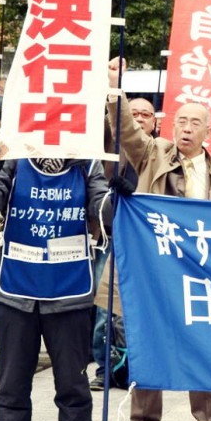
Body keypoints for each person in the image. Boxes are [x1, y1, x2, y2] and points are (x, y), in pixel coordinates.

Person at [105, 57, 211, 421]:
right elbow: (128, 132)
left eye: (194, 122)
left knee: (205, 350)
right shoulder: (153, 156)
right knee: (150, 344)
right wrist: (116, 90)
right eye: (180, 121)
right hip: (156, 273)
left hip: (202, 277)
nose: (185, 128)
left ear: (209, 131)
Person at [0, 142, 112, 421]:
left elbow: (105, 214)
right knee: (12, 384)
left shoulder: (87, 161)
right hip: (15, 290)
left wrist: (119, 192)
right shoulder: (16, 157)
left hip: (68, 291)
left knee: (73, 384)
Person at [91, 97, 157, 391]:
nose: (141, 119)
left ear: (155, 122)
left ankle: (137, 364)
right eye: (135, 114)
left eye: (147, 114)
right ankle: (104, 367)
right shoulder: (109, 146)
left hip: (148, 243)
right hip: (111, 235)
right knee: (106, 305)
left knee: (142, 307)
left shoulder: (161, 153)